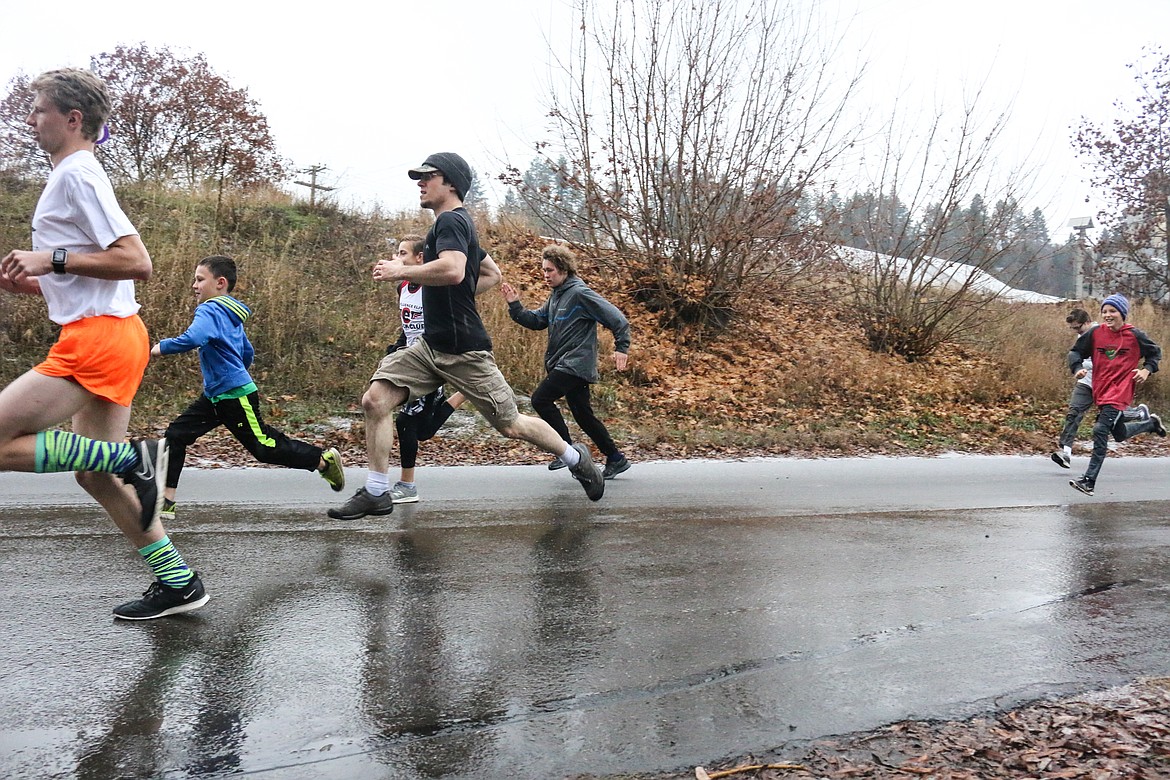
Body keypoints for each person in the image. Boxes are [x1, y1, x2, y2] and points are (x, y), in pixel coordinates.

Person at [0, 68, 203, 620]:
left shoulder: (78, 175)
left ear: (71, 119)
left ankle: (129, 458)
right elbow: (93, 271)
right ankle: (179, 582)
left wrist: (51, 259)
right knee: (95, 475)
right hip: (111, 332)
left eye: (38, 108)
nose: (29, 118)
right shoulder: (69, 176)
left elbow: (137, 262)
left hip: (99, 339)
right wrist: (37, 280)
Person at [328, 152, 605, 520]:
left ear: (452, 183)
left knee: (510, 425)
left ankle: (575, 457)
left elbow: (456, 269)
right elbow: (490, 272)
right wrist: (454, 293)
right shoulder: (453, 226)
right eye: (419, 177)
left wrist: (401, 271)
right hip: (429, 347)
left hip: (465, 351)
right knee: (375, 401)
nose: (420, 182)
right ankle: (377, 492)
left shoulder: (452, 222)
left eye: (428, 176)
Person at [151, 255, 346, 517]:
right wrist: (232, 371)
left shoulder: (209, 309)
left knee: (264, 446)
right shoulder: (232, 314)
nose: (194, 286)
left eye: (199, 280)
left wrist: (160, 348)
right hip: (215, 397)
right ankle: (166, 500)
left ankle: (322, 461)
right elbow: (247, 352)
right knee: (176, 436)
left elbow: (194, 337)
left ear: (220, 283)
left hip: (233, 396)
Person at [500, 244, 632, 479]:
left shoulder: (580, 293)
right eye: (544, 270)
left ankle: (565, 450)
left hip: (575, 363)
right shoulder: (557, 296)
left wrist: (621, 347)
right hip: (566, 364)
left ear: (563, 269)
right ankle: (615, 458)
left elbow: (617, 318)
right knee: (583, 414)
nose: (546, 275)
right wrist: (515, 305)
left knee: (540, 399)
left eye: (550, 270)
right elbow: (537, 321)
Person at [383, 235, 467, 503]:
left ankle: (407, 486)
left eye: (403, 253)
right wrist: (397, 346)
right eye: (397, 253)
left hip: (431, 361)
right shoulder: (403, 287)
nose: (398, 258)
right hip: (410, 359)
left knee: (406, 422)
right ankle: (463, 392)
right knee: (424, 431)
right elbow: (407, 326)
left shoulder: (435, 288)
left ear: (420, 258)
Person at [1067, 294, 1166, 496]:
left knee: (1100, 429)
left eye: (1112, 311)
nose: (1107, 315)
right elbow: (1075, 352)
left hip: (1120, 392)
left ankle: (1088, 481)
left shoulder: (1135, 335)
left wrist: (1146, 370)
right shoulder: (1095, 333)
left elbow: (1155, 352)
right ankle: (1150, 424)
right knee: (1119, 434)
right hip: (1101, 391)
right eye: (1104, 311)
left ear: (1122, 313)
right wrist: (1077, 368)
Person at [1051, 308, 1096, 468]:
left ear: (1088, 322)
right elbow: (1075, 355)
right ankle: (1066, 453)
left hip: (1105, 383)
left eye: (1078, 328)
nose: (1076, 331)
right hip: (1085, 382)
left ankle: (1141, 416)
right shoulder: (1081, 337)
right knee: (1073, 414)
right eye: (1073, 328)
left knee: (1116, 421)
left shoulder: (1101, 333)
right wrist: (1078, 369)